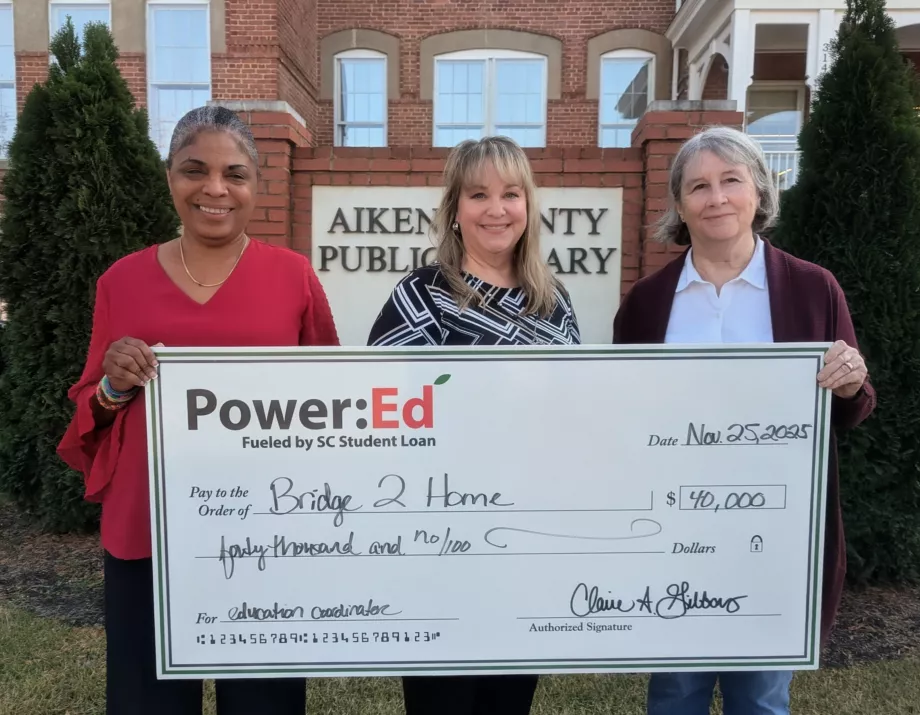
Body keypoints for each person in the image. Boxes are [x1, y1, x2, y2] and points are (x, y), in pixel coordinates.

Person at [57, 106, 339, 715]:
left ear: (256, 185)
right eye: (195, 170)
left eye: (234, 174)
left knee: (264, 701)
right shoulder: (121, 281)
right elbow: (88, 410)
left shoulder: (293, 277)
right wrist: (112, 387)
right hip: (149, 528)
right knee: (146, 699)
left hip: (265, 528)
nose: (215, 189)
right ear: (170, 178)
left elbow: (332, 398)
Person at [612, 125, 876, 715]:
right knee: (675, 693)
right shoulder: (647, 303)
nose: (717, 198)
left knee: (760, 698)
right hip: (673, 534)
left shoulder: (812, 288)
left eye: (731, 180)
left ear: (758, 191)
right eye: (698, 186)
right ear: (679, 205)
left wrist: (851, 380)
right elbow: (623, 420)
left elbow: (852, 406)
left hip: (775, 536)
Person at [368, 136, 580, 714]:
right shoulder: (421, 297)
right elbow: (380, 416)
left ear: (528, 205)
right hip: (438, 545)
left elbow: (573, 421)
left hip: (526, 546)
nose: (496, 209)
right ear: (455, 209)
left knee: (508, 701)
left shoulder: (554, 304)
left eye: (511, 194)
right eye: (479, 194)